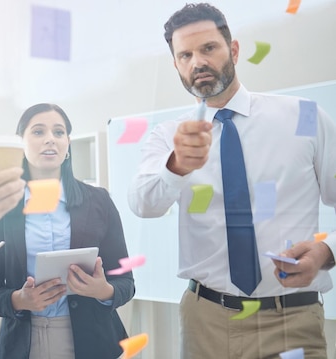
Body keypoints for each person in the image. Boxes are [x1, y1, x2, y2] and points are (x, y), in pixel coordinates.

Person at [128, 3, 336, 358]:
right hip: (206, 321)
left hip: (292, 318)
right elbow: (144, 204)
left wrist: (327, 250)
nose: (198, 62)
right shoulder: (168, 136)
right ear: (177, 65)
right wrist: (176, 165)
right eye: (185, 55)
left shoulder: (304, 117)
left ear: (233, 50)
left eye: (208, 48)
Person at [0, 103, 135, 359]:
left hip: (93, 341)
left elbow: (126, 282)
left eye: (58, 132)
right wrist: (19, 300)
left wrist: (103, 290)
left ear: (68, 144)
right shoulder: (2, 207)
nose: (50, 139)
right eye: (38, 132)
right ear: (21, 143)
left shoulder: (99, 201)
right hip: (24, 344)